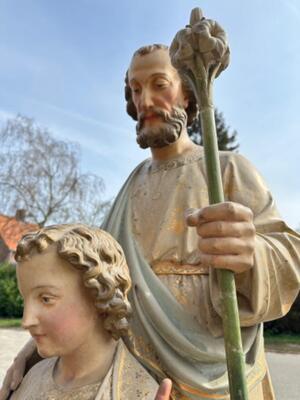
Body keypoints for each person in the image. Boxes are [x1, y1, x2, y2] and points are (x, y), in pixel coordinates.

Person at [1, 44, 300, 399]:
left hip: (212, 372)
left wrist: (252, 254)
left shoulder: (227, 169)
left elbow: (288, 256)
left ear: (188, 94)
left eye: (159, 84)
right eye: (136, 89)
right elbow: (91, 281)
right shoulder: (131, 185)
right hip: (132, 373)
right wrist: (35, 350)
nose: (145, 101)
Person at [4, 224, 172, 400]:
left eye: (46, 299)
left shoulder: (137, 393)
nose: (26, 321)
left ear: (99, 296)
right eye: (25, 299)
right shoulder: (31, 378)